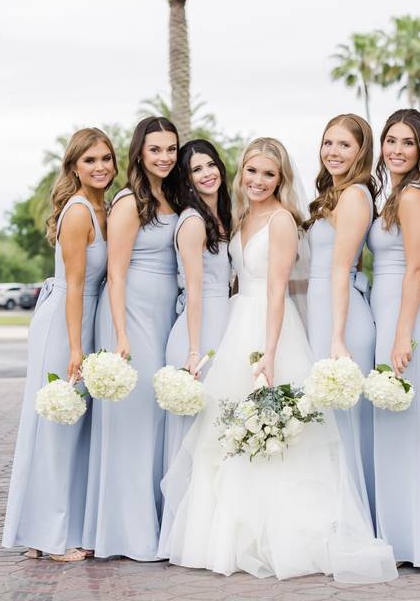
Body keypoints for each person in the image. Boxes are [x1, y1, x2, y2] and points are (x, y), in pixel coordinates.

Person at [158, 138, 396, 583]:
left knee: (278, 430)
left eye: (268, 174)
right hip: (236, 323)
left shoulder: (283, 221)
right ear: (241, 173)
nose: (258, 181)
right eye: (251, 171)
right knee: (227, 429)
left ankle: (285, 538)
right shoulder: (241, 216)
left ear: (281, 178)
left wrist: (268, 352)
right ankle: (229, 536)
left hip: (271, 330)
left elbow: (276, 290)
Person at [2, 127, 114, 561]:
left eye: (105, 158)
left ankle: (40, 530)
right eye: (90, 160)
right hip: (66, 323)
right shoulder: (79, 211)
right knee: (56, 425)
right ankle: (50, 539)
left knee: (64, 427)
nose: (100, 167)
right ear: (74, 167)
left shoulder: (104, 207)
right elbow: (73, 285)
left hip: (81, 319)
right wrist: (75, 348)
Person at [83, 117, 181, 560]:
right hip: (130, 316)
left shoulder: (171, 196)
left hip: (162, 316)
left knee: (156, 419)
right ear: (139, 152)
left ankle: (155, 522)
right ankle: (126, 532)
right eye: (155, 149)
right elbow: (115, 274)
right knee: (133, 419)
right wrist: (120, 334)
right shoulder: (128, 201)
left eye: (171, 149)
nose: (164, 157)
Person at [367, 109, 420, 567]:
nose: (396, 150)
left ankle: (415, 540)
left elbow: (416, 267)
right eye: (390, 140)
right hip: (392, 317)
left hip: (408, 323)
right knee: (396, 430)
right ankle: (400, 533)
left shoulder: (414, 196)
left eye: (407, 142)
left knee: (409, 431)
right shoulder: (393, 194)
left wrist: (401, 336)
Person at [303, 113, 377, 523]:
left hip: (342, 318)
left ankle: (353, 524)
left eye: (344, 145)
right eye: (328, 143)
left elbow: (341, 269)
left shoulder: (354, 196)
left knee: (343, 423)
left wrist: (336, 336)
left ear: (361, 151)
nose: (333, 151)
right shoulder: (334, 194)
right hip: (324, 310)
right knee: (329, 420)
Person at [162, 139, 233, 476]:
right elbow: (194, 291)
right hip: (199, 332)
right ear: (186, 180)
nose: (206, 174)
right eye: (196, 170)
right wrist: (193, 351)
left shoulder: (222, 216)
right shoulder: (192, 222)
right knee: (197, 434)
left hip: (222, 322)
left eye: (210, 165)